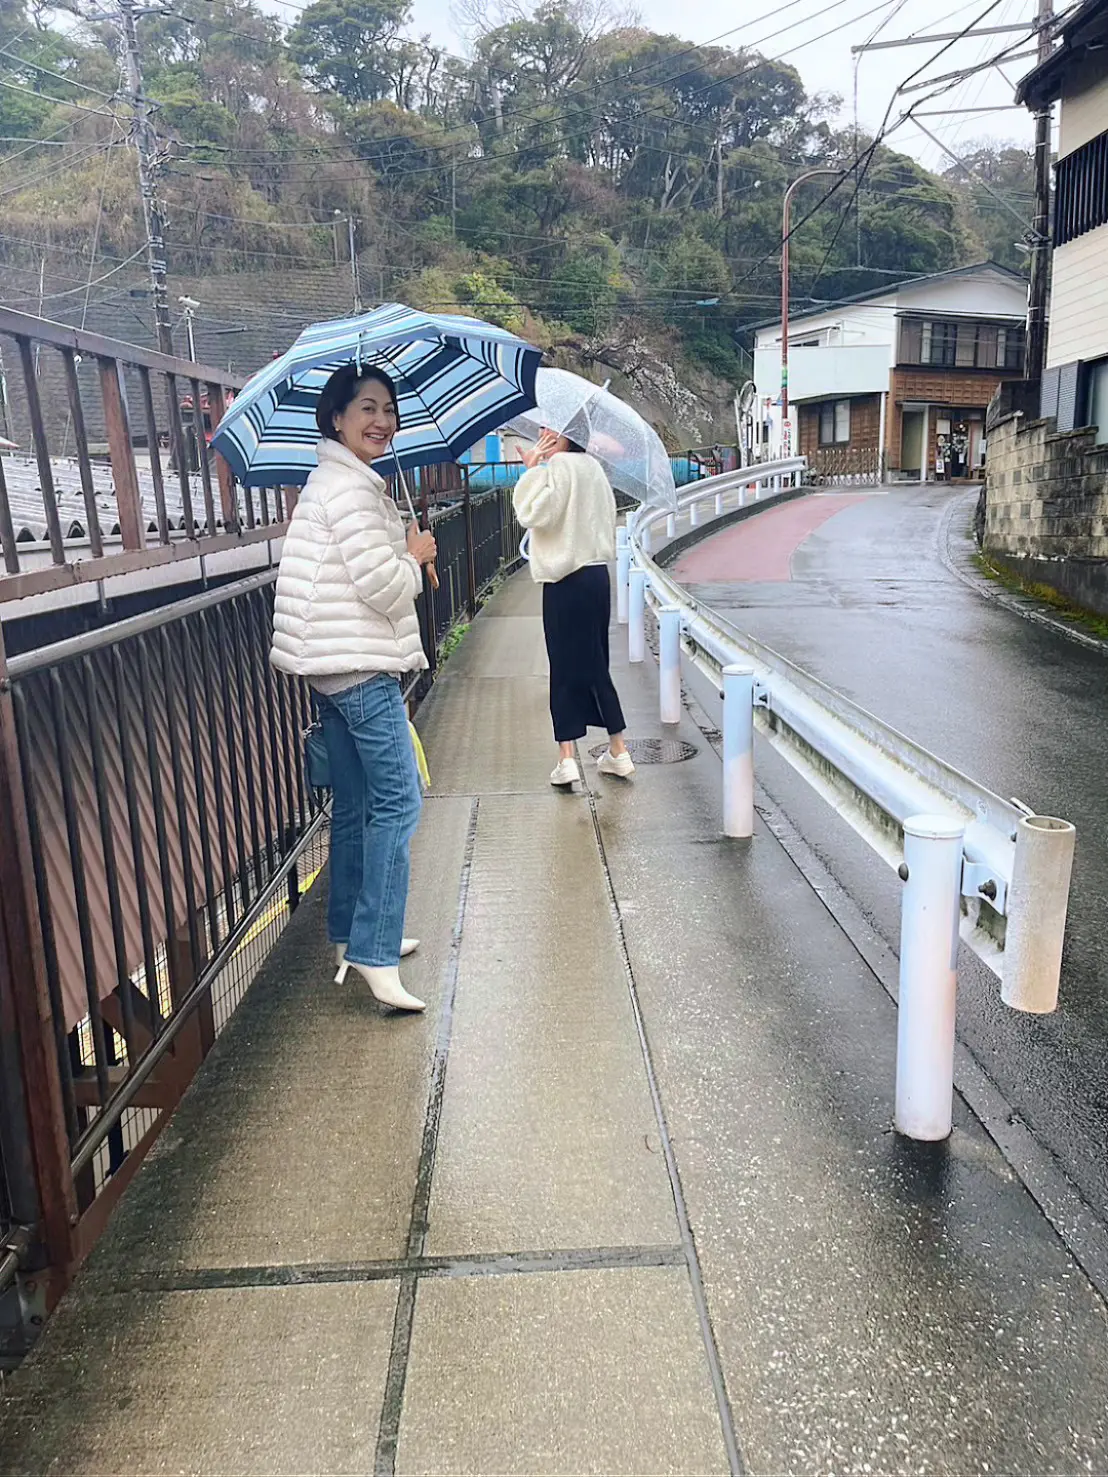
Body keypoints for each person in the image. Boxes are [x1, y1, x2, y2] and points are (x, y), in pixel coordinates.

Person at [270, 364, 437, 1013]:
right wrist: (416, 558)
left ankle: (350, 933)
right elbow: (382, 586)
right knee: (400, 803)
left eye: (389, 410)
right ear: (336, 417)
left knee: (359, 804)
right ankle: (374, 947)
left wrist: (403, 549)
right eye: (367, 408)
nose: (382, 421)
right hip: (361, 671)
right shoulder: (351, 491)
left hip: (332, 670)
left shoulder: (334, 483)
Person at [513, 427, 634, 788]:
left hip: (565, 580)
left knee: (564, 667)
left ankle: (567, 757)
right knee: (596, 662)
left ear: (567, 434)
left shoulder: (559, 467)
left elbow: (533, 514)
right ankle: (618, 749)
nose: (541, 434)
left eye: (548, 429)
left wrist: (532, 470)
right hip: (597, 577)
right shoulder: (594, 468)